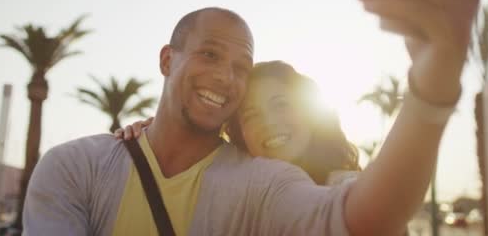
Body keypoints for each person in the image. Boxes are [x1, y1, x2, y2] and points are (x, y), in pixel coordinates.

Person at [23, 0, 479, 236]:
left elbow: (359, 218)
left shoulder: (266, 181)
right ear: (167, 59)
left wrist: (433, 80)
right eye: (209, 54)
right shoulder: (74, 167)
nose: (226, 76)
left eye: (242, 65)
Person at [117, 60, 362, 185]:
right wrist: (150, 137)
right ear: (240, 135)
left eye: (280, 105)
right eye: (251, 115)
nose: (268, 122)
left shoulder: (347, 191)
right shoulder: (235, 196)